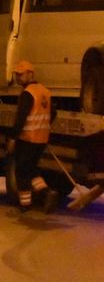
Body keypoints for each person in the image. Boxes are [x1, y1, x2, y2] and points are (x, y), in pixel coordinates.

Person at [8, 60, 58, 214]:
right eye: (16, 74)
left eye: (21, 75)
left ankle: (25, 205)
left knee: (22, 172)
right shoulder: (44, 91)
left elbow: (21, 118)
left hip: (27, 139)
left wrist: (12, 138)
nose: (18, 78)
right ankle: (46, 192)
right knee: (30, 169)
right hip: (41, 139)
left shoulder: (28, 93)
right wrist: (45, 125)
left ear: (30, 74)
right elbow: (53, 113)